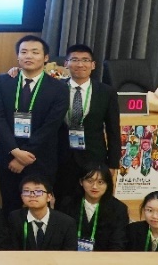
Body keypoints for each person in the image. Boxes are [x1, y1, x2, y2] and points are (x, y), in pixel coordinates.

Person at [0, 35, 69, 212]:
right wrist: (15, 151)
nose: (29, 56)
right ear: (18, 56)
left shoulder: (59, 88)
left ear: (46, 57)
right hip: (9, 157)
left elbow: (51, 125)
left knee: (39, 208)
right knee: (10, 207)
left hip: (40, 158)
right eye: (24, 52)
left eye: (35, 52)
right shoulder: (3, 82)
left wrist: (25, 156)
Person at [56, 44, 121, 204]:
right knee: (62, 201)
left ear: (93, 65)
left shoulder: (106, 92)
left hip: (93, 156)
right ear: (66, 63)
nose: (80, 64)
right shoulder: (55, 88)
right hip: (61, 157)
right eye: (75, 60)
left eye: (85, 60)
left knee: (91, 202)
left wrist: (113, 163)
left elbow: (113, 130)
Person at [56, 163, 129, 252]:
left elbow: (118, 243)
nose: (94, 186)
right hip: (70, 256)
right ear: (81, 182)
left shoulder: (118, 209)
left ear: (108, 184)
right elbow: (59, 237)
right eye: (90, 181)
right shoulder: (67, 203)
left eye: (100, 182)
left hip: (103, 257)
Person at [8, 175, 78, 251]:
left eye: (38, 192)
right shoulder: (15, 218)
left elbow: (70, 254)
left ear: (49, 197)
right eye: (27, 191)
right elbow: (12, 251)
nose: (32, 195)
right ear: (22, 197)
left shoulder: (66, 223)